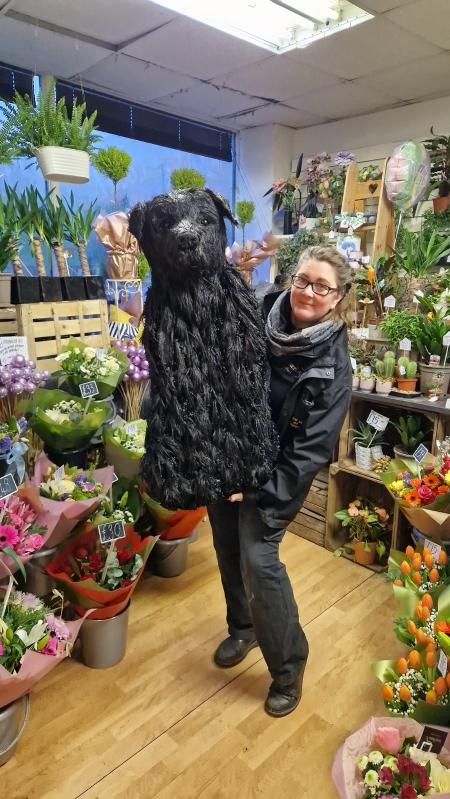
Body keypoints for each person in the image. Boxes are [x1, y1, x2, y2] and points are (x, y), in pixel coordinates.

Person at [207, 246, 353, 717]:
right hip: (231, 456)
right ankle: (243, 626)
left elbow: (308, 452)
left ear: (338, 297)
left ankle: (289, 669)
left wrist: (259, 491)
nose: (307, 292)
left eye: (321, 286)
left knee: (258, 557)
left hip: (279, 476)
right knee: (227, 540)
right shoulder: (262, 309)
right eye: (302, 279)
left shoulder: (333, 367)